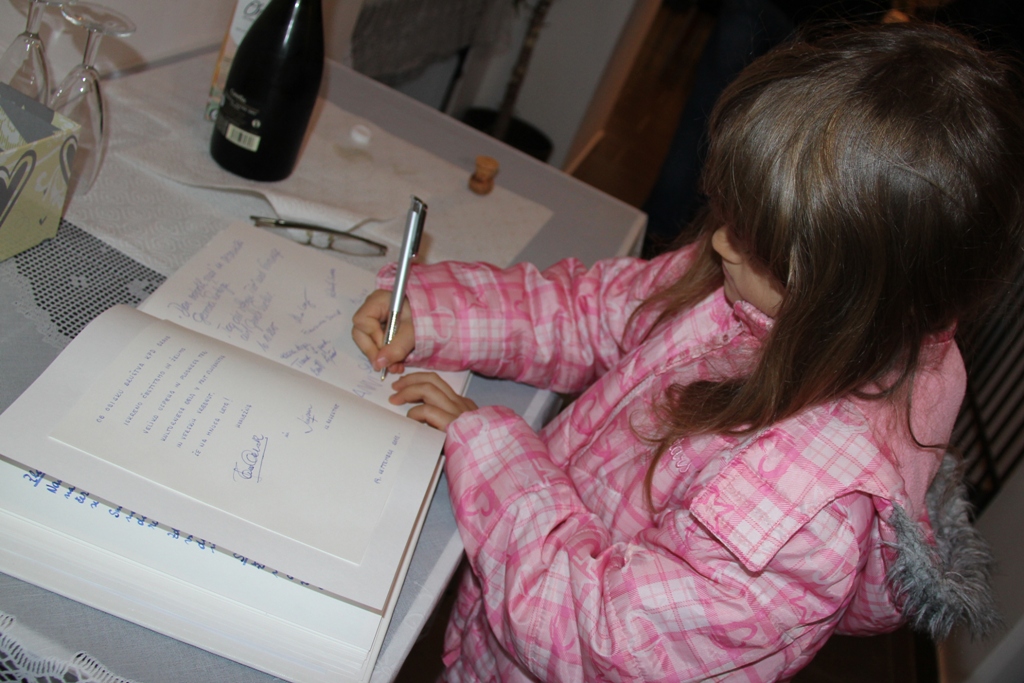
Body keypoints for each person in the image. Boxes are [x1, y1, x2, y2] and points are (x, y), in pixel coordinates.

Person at [352, 22, 1024, 682]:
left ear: (850, 297)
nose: (722, 242)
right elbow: (598, 310)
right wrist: (438, 313)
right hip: (516, 587)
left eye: (756, 244)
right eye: (734, 215)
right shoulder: (768, 286)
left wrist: (497, 458)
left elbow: (600, 638)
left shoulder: (803, 520)